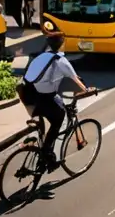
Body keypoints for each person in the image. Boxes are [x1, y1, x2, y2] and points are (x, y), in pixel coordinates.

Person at [21, 33, 91, 172]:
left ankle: (37, 146)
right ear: (62, 44)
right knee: (58, 120)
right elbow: (75, 79)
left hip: (28, 93)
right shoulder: (61, 60)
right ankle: (47, 154)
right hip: (45, 97)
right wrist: (88, 90)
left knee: (49, 111)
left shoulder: (41, 56)